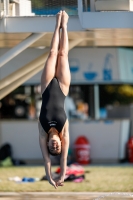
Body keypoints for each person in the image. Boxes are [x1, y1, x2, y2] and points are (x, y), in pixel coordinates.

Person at [38, 11, 70, 189]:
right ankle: (64, 25)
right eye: (58, 147)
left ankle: (56, 24)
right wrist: (62, 175)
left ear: (50, 145)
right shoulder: (64, 132)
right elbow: (64, 158)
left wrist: (49, 176)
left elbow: (46, 159)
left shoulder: (43, 133)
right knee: (63, 54)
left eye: (53, 148)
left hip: (46, 87)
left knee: (52, 53)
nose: (56, 147)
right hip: (63, 88)